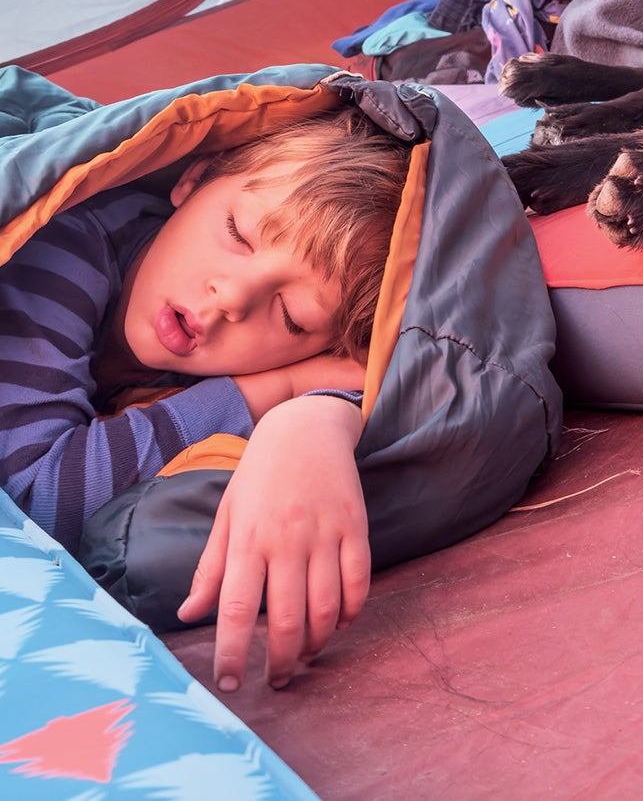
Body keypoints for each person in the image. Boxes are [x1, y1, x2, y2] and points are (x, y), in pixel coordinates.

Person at [0, 105, 409, 692]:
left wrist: (314, 416)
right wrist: (272, 392)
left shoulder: (250, 355)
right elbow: (35, 500)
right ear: (194, 178)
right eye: (238, 234)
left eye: (292, 318)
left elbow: (385, 374)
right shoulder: (58, 245)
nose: (233, 296)